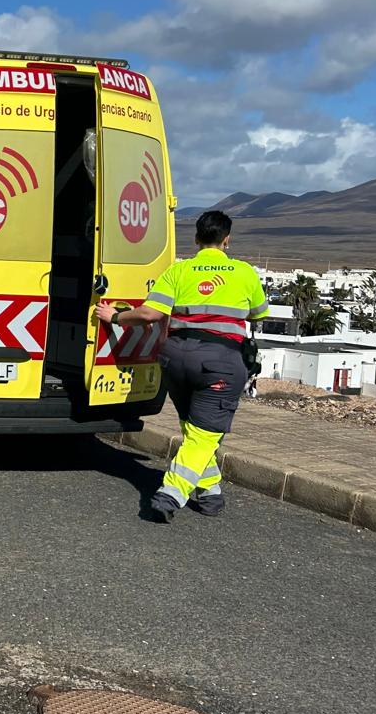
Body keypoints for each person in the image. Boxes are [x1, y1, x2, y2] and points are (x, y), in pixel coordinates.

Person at [96, 210, 266, 522]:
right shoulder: (244, 272)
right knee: (204, 434)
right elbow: (258, 313)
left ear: (197, 238)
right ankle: (171, 493)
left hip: (175, 358)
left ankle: (211, 493)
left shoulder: (179, 271)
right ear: (226, 239)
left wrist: (115, 317)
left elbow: (150, 314)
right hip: (220, 363)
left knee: (195, 428)